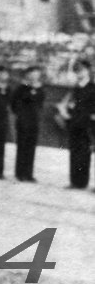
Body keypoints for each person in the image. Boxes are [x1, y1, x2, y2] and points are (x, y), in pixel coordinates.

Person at [59, 58, 95, 188]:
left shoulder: (92, 88)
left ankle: (82, 182)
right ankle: (74, 182)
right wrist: (66, 114)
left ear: (88, 71)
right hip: (74, 123)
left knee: (85, 154)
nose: (79, 73)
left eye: (82, 70)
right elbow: (66, 104)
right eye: (77, 71)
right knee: (74, 152)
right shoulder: (75, 89)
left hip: (87, 125)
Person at [10, 65, 46, 182]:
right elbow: (14, 103)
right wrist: (21, 114)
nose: (35, 77)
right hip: (23, 121)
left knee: (31, 148)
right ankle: (20, 173)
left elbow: (41, 102)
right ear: (27, 75)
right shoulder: (21, 88)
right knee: (22, 147)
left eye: (37, 74)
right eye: (32, 74)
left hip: (34, 121)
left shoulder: (40, 88)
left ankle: (28, 174)